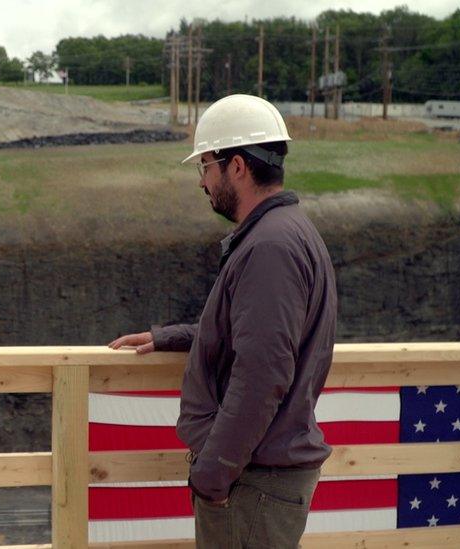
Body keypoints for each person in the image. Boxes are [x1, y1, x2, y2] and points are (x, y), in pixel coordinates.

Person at [108, 94, 337, 549]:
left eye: (206, 166)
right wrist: (172, 337)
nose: (202, 182)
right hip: (259, 477)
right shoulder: (286, 232)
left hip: (252, 484)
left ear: (237, 167)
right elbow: (259, 334)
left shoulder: (270, 248)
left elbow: (263, 372)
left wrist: (213, 474)